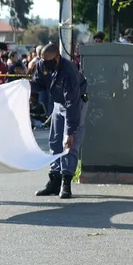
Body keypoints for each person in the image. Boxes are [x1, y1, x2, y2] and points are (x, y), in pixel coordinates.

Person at [29, 43, 89, 199]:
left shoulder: (69, 71)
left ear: (57, 58)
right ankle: (54, 180)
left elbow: (72, 104)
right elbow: (38, 83)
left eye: (48, 61)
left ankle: (66, 182)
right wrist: (27, 88)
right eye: (43, 60)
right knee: (55, 141)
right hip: (58, 103)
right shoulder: (42, 64)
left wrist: (70, 132)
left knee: (69, 144)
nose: (45, 65)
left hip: (75, 104)